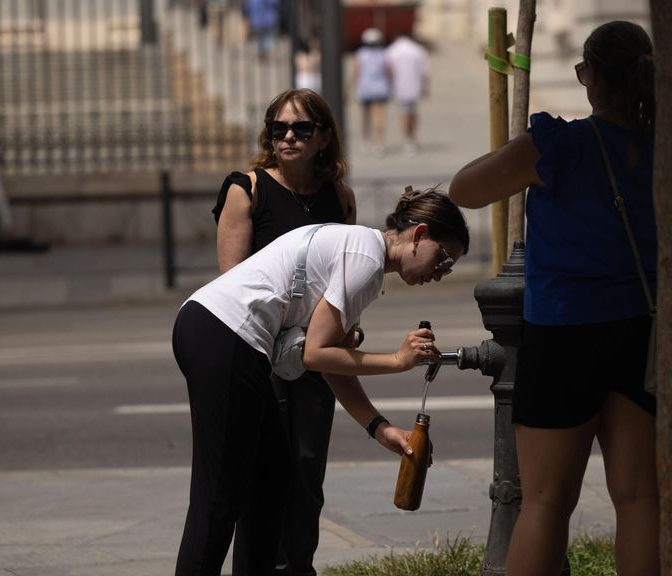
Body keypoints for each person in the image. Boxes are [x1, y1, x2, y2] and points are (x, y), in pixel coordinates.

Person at [449, 21, 670, 576]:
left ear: (592, 77)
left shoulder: (559, 146)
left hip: (563, 335)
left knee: (546, 502)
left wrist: (527, 149)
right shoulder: (671, 151)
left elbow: (464, 190)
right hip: (643, 336)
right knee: (641, 499)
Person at [174, 188, 469, 575]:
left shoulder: (362, 254)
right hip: (225, 335)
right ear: (419, 235)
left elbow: (333, 364)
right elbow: (316, 354)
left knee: (273, 478)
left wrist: (379, 429)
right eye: (443, 259)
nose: (440, 273)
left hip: (216, 333)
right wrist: (399, 360)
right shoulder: (364, 258)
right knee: (218, 496)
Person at [212, 88, 355, 576]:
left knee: (308, 470)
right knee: (262, 474)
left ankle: (299, 565)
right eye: (279, 129)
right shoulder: (246, 189)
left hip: (315, 357)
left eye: (301, 129)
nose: (288, 137)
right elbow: (233, 289)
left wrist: (346, 332)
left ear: (324, 138)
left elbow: (344, 283)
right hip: (260, 354)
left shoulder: (340, 197)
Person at [384, 32, 429, 156]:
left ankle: (408, 139)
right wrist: (425, 87)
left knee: (404, 114)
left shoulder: (392, 50)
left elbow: (387, 70)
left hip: (399, 87)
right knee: (412, 113)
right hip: (414, 86)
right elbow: (424, 71)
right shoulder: (417, 50)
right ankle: (411, 137)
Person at [351, 27, 391, 155]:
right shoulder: (384, 54)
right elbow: (388, 72)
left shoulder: (361, 54)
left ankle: (366, 140)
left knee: (365, 116)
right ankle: (379, 143)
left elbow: (356, 72)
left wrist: (351, 88)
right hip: (380, 88)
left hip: (365, 88)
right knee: (379, 117)